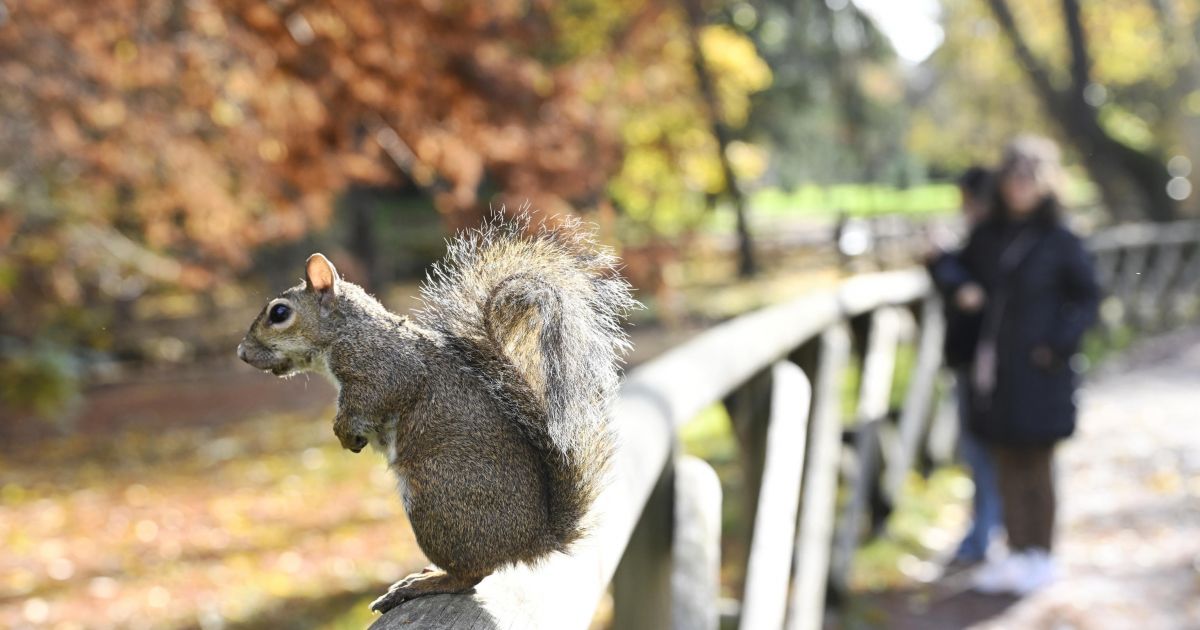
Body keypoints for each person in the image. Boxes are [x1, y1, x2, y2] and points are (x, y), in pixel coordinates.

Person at [951, 136, 1100, 595]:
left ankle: (1042, 553)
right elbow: (956, 268)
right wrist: (952, 279)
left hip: (1041, 372)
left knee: (1037, 463)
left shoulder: (1061, 239)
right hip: (997, 370)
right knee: (1005, 460)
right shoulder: (988, 236)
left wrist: (1055, 346)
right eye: (1013, 176)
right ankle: (1016, 552)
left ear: (1046, 182)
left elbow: (1088, 298)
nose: (1020, 186)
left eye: (1029, 177)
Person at [926, 166, 1004, 568]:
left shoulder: (993, 238)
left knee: (982, 451)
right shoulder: (989, 238)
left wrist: (942, 261)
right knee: (983, 452)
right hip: (978, 361)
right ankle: (988, 533)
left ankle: (984, 537)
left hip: (982, 363)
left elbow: (971, 294)